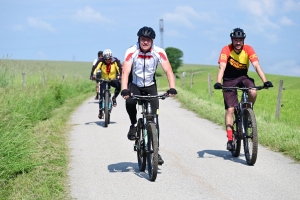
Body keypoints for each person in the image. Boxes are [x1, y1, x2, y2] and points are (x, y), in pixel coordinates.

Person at [121, 26, 177, 165]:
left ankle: (156, 152)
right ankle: (134, 124)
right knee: (130, 102)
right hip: (136, 84)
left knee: (154, 119)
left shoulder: (159, 52)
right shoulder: (131, 51)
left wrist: (172, 87)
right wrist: (124, 89)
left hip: (151, 86)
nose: (145, 42)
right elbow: (125, 72)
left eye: (148, 40)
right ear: (138, 39)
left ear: (152, 41)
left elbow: (168, 70)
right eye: (142, 39)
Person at [214, 28, 273, 151]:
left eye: (240, 40)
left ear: (243, 40)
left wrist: (265, 81)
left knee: (253, 91)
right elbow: (222, 66)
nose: (238, 43)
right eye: (236, 40)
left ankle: (247, 112)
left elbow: (256, 65)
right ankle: (230, 139)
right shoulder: (226, 49)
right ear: (232, 40)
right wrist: (218, 82)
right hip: (229, 79)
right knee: (230, 109)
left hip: (243, 77)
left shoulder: (248, 49)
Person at [92, 49, 122, 119]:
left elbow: (119, 68)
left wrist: (120, 75)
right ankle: (100, 111)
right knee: (101, 95)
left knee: (118, 86)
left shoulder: (115, 61)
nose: (107, 60)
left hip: (112, 79)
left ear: (111, 57)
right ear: (104, 58)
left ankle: (114, 98)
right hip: (104, 79)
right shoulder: (101, 61)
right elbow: (96, 68)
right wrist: (93, 75)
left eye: (109, 59)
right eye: (106, 59)